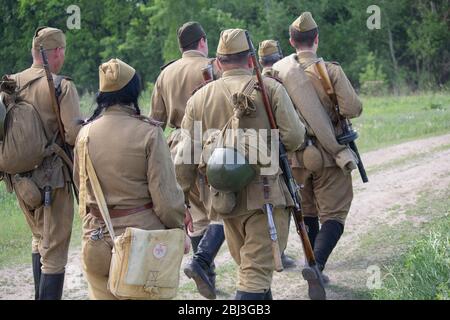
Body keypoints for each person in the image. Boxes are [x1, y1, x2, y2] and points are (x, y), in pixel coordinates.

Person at [176, 28, 305, 300]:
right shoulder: (270, 89)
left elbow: (185, 158)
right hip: (266, 197)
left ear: (219, 63)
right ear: (250, 60)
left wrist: (183, 202)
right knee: (255, 275)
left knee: (253, 271)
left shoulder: (199, 99)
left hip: (224, 201)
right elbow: (294, 137)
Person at [73, 58, 186, 300]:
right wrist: (178, 229)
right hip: (142, 244)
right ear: (134, 91)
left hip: (96, 240)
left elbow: (82, 190)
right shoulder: (149, 132)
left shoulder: (84, 134)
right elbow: (165, 198)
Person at [273, 12, 363, 286]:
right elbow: (353, 108)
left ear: (291, 41)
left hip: (295, 157)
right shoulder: (331, 71)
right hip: (328, 154)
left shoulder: (278, 72)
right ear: (317, 40)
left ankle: (311, 262)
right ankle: (317, 264)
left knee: (308, 212)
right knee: (334, 214)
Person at [150, 21, 224, 299]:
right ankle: (202, 263)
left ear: (182, 46)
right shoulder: (213, 68)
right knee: (223, 209)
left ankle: (208, 276)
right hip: (210, 146)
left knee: (194, 214)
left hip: (177, 148)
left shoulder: (164, 74)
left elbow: (155, 121)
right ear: (203, 41)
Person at [7, 26, 81, 300]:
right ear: (58, 52)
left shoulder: (11, 83)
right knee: (55, 253)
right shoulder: (61, 85)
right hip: (53, 181)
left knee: (40, 239)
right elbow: (73, 134)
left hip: (20, 180)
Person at [258, 39, 297, 269]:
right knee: (284, 203)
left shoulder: (253, 81)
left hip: (253, 153)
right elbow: (291, 127)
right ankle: (278, 252)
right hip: (279, 154)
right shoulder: (281, 81)